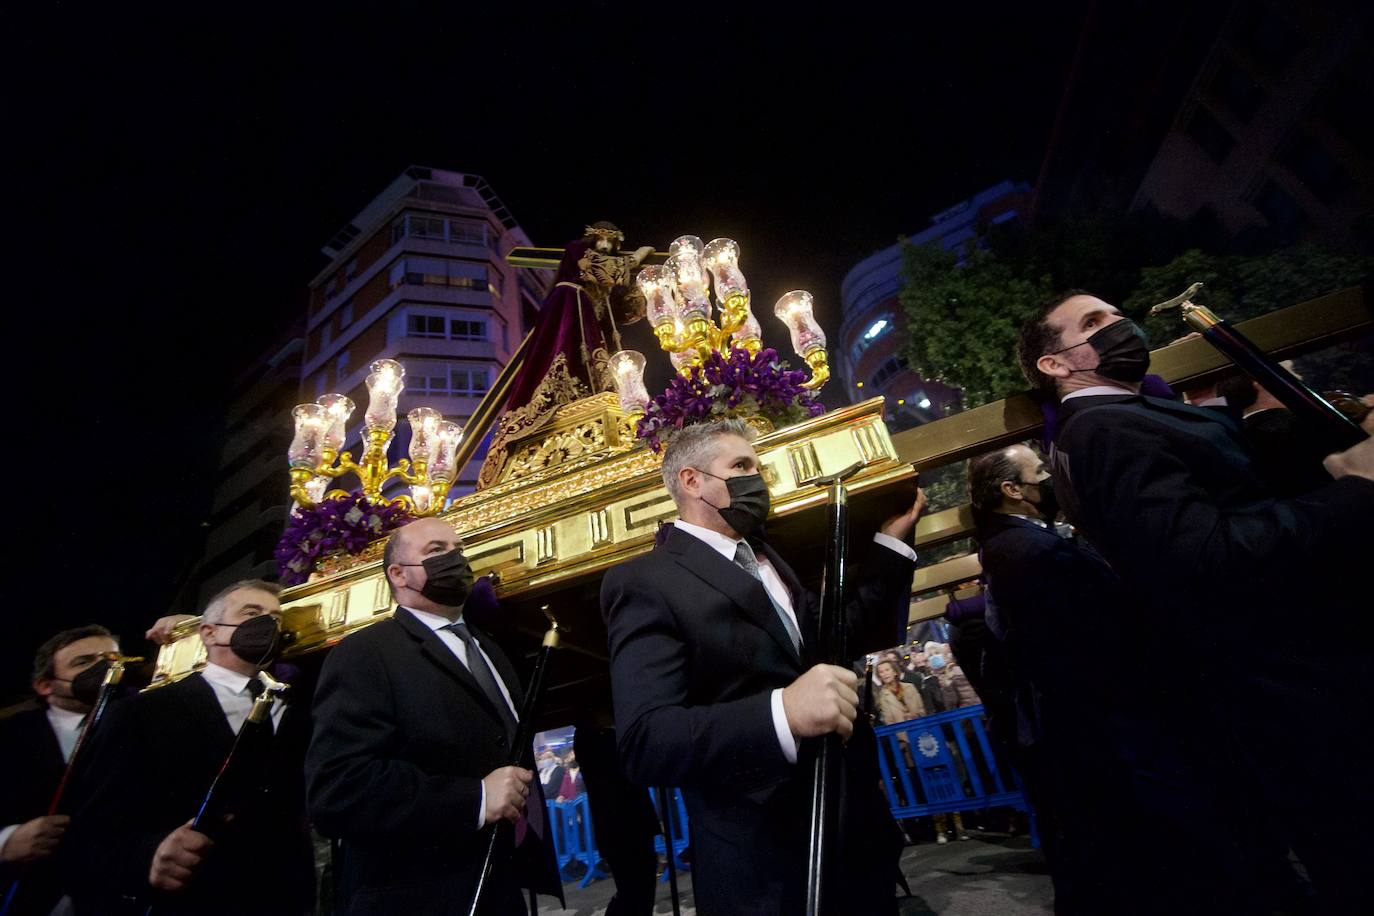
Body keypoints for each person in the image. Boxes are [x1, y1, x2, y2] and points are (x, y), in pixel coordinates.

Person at [1018, 289, 1374, 914]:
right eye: (1094, 323)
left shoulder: (1123, 417)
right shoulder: (1103, 429)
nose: (1119, 327)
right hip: (1294, 683)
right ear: (1055, 363)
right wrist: (1353, 490)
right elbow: (1205, 557)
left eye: (1116, 314)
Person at [601, 418, 926, 915]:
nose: (760, 480)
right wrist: (782, 714)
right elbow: (647, 741)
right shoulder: (646, 581)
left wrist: (892, 544)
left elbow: (842, 637)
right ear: (691, 482)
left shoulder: (770, 559)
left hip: (850, 835)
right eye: (742, 466)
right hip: (765, 863)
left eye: (759, 467)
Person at [306, 517, 561, 916]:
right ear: (398, 574)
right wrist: (474, 798)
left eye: (458, 550)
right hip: (414, 895)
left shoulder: (490, 649)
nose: (454, 559)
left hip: (500, 886)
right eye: (436, 552)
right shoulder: (365, 654)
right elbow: (339, 788)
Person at [65, 580, 315, 915]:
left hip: (283, 897)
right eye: (251, 614)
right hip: (194, 899)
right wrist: (148, 855)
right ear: (209, 633)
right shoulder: (144, 711)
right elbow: (94, 826)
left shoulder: (299, 704)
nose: (267, 625)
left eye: (275, 618)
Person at [0, 625, 119, 916]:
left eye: (112, 659)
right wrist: (6, 841)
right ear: (45, 685)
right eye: (83, 662)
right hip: (27, 894)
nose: (103, 668)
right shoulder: (8, 736)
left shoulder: (148, 720)